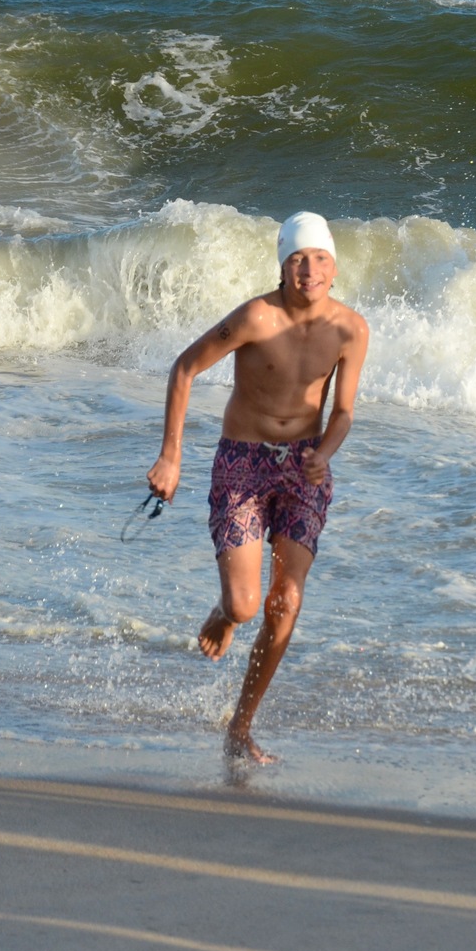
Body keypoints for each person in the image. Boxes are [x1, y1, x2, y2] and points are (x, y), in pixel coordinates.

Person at [146, 211, 370, 764]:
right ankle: (225, 614)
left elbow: (342, 412)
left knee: (286, 601)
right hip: (242, 464)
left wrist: (323, 454)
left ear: (334, 268)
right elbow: (184, 368)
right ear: (282, 265)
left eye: (319, 259)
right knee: (246, 606)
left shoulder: (350, 329)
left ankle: (240, 728)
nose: (308, 270)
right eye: (297, 259)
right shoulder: (255, 317)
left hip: (304, 468)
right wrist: (170, 455)